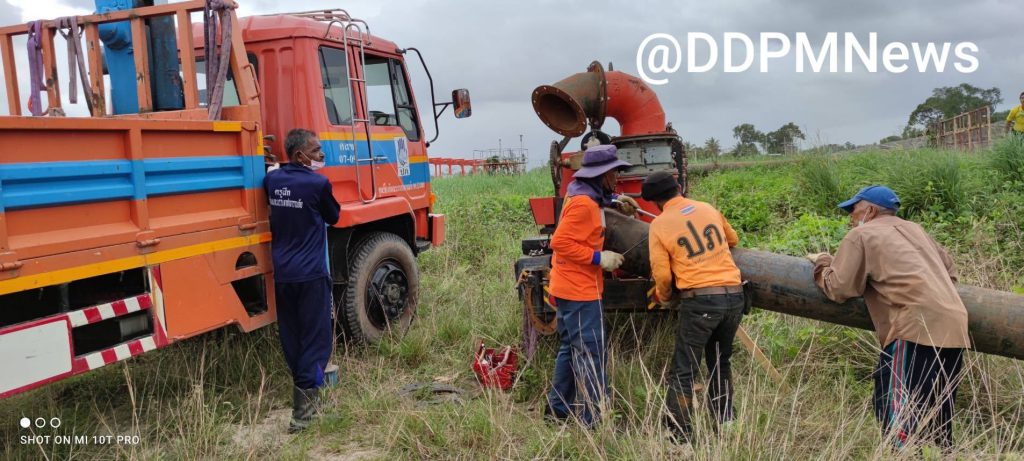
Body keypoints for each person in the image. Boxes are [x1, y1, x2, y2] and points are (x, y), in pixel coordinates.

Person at [808, 185, 969, 450]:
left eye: (853, 209)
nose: (850, 216)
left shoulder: (861, 234)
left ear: (870, 211)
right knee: (937, 416)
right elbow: (950, 272)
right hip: (954, 326)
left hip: (913, 328)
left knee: (898, 417)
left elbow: (839, 287)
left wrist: (823, 262)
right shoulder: (916, 230)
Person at [640, 171, 745, 443]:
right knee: (720, 361)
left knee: (685, 369)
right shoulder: (707, 208)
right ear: (678, 188)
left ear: (653, 202)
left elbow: (662, 275)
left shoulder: (660, 225)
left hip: (700, 302)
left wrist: (664, 297)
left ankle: (680, 434)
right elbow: (732, 239)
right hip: (734, 296)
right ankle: (726, 421)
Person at [544, 144, 638, 428]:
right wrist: (599, 257)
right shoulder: (584, 203)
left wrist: (614, 200)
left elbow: (594, 206)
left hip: (568, 287)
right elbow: (559, 242)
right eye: (615, 174)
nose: (617, 178)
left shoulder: (584, 193)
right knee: (590, 352)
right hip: (579, 290)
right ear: (603, 174)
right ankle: (593, 420)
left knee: (571, 349)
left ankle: (557, 410)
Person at [264, 128, 341, 432]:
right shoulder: (319, 184)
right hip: (311, 275)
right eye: (316, 151)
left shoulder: (272, 181)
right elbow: (333, 217)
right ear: (300, 155)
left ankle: (306, 395)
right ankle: (304, 416)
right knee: (317, 339)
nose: (321, 155)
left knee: (292, 338)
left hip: (283, 274)